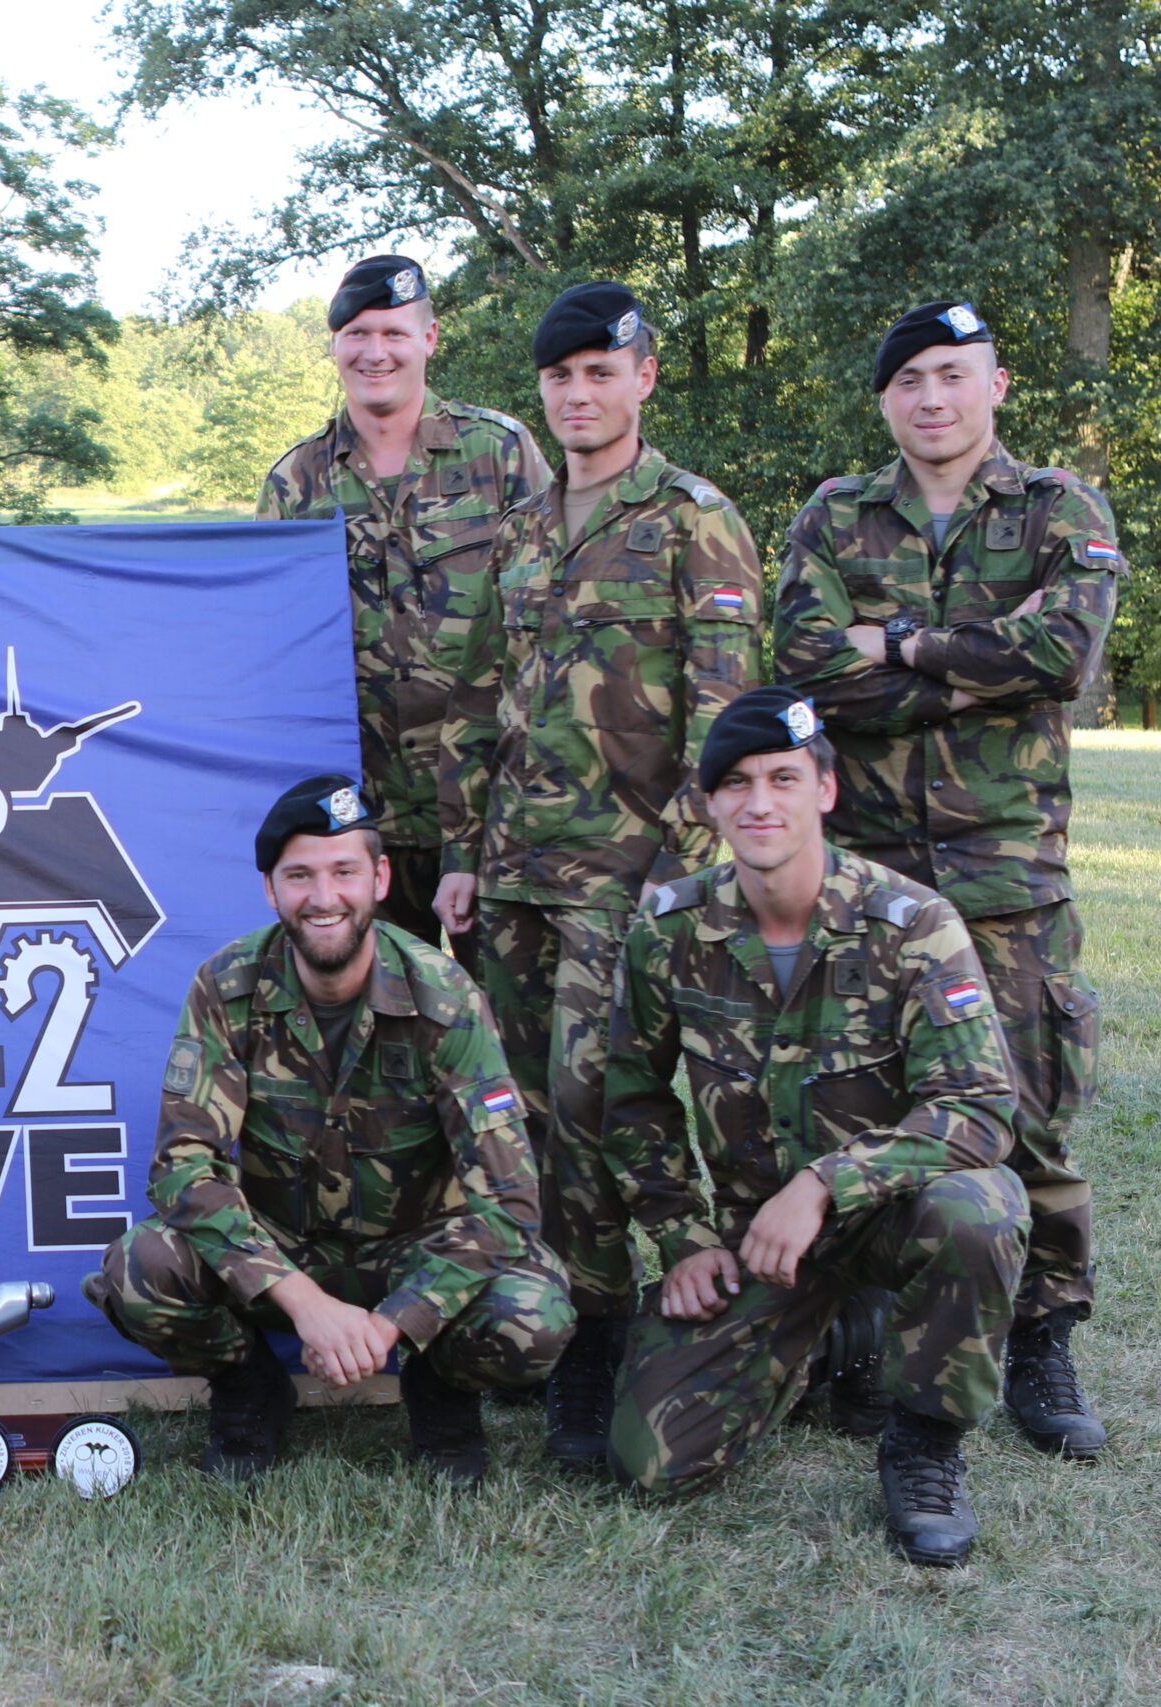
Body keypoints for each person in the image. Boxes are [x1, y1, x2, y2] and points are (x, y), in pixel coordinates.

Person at [772, 301, 1120, 1458]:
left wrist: (897, 641)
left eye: (952, 375)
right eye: (909, 379)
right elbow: (808, 670)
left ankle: (1041, 1335)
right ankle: (872, 1328)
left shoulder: (1058, 508)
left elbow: (1063, 653)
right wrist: (978, 662)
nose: (931, 398)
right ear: (884, 399)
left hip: (1005, 869)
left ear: (995, 385)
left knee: (1024, 1108)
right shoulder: (835, 515)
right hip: (867, 874)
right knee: (870, 1098)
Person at [434, 282, 763, 1470]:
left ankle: (599, 1332)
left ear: (643, 377)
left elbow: (725, 719)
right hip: (515, 874)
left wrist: (679, 874)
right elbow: (478, 701)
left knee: (590, 1105)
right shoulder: (520, 528)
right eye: (560, 378)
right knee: (516, 1109)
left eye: (599, 373)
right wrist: (462, 854)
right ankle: (545, 1313)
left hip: (623, 879)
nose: (578, 395)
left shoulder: (691, 520)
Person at [606, 689, 1026, 1567]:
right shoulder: (671, 926)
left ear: (825, 790)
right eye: (737, 783)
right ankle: (838, 1335)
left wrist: (824, 1183)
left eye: (784, 778)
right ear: (709, 804)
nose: (760, 802)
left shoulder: (913, 925)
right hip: (759, 1239)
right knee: (653, 1458)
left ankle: (924, 1442)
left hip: (892, 1214)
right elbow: (634, 1098)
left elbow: (980, 1105)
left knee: (978, 1210)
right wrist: (683, 1238)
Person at [85, 775, 573, 1488]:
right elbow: (183, 1167)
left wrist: (390, 1325)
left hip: (414, 1253)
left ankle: (440, 1390)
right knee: (141, 1269)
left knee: (534, 1311)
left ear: (379, 878)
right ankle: (250, 1389)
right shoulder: (228, 987)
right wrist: (305, 1304)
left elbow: (509, 1198)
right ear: (270, 889)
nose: (324, 897)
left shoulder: (445, 997)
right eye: (300, 876)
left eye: (344, 871)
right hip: (282, 1252)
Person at [258, 256, 550, 947]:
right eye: (357, 334)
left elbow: (551, 622)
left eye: (394, 333)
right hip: (358, 822)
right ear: (335, 344)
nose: (375, 352)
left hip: (492, 808)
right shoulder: (297, 482)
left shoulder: (500, 454)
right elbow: (269, 649)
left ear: (430, 338)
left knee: (498, 1008)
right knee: (378, 1006)